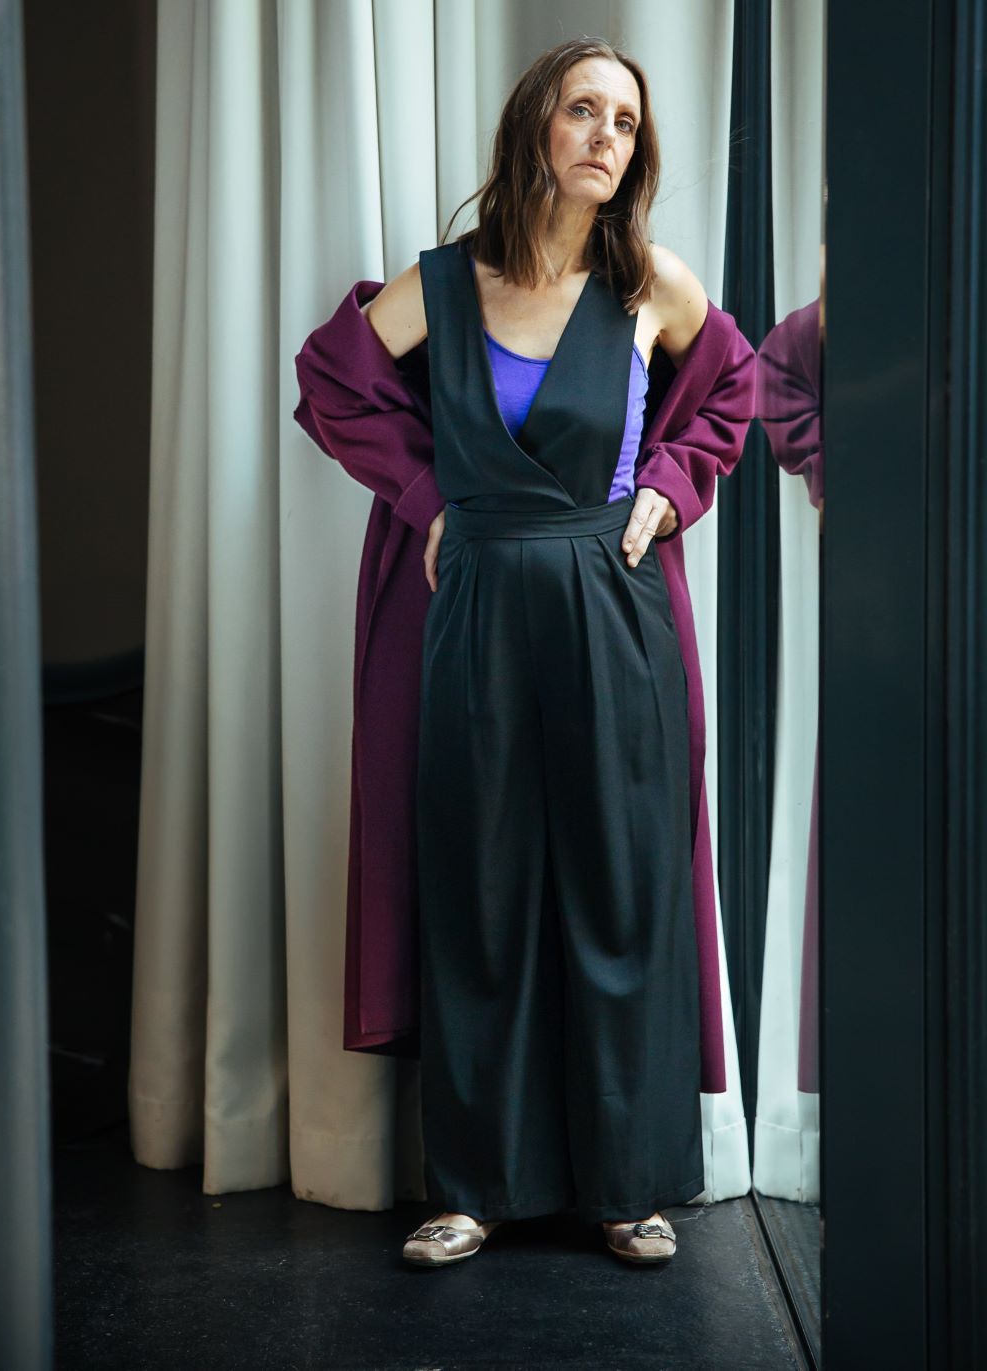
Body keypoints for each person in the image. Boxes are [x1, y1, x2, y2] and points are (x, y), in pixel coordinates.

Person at [293, 35, 756, 1268]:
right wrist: (425, 499)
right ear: (534, 131)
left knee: (619, 888)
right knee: (480, 891)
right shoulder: (445, 286)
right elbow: (330, 380)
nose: (607, 136)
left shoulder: (647, 284)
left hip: (613, 607)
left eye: (626, 122)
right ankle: (473, 1187)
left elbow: (735, 390)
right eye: (583, 111)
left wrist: (667, 487)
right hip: (481, 610)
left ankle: (626, 1186)